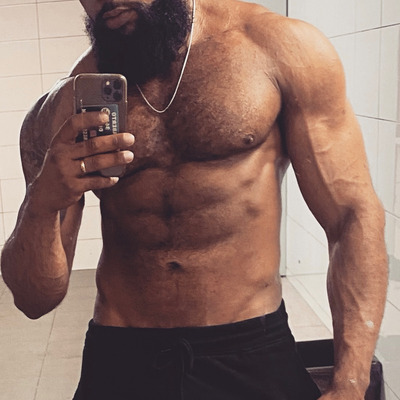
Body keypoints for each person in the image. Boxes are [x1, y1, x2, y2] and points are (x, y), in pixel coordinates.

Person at [0, 0, 388, 399]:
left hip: (251, 349)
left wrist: (350, 383)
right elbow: (34, 299)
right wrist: (41, 205)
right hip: (122, 355)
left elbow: (352, 216)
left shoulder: (277, 48)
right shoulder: (60, 110)